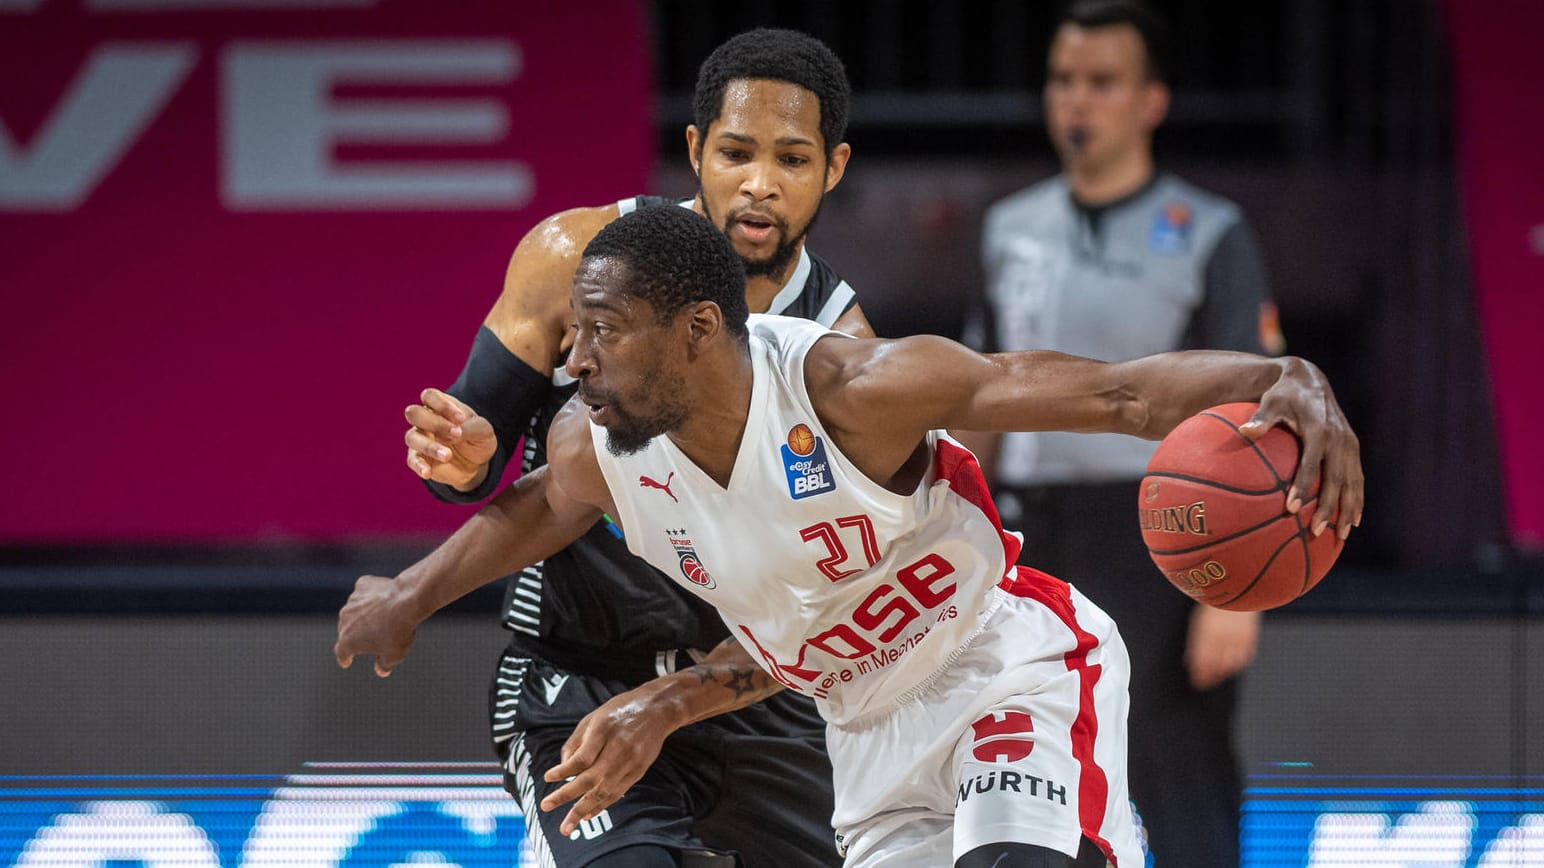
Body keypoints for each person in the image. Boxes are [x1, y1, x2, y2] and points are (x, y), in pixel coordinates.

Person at [349, 204, 1363, 867]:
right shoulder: (593, 451)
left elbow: (1116, 392)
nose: (575, 358)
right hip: (865, 741)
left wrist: (1288, 381)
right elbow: (536, 512)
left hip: (1002, 664)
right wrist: (410, 594)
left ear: (697, 329)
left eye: (602, 330)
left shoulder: (846, 390)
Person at [336, 28, 869, 868]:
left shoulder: (839, 351)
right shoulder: (571, 258)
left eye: (792, 161)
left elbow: (828, 609)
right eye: (735, 152)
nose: (759, 185)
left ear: (832, 169)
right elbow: (506, 474)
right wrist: (460, 467)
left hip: (749, 688)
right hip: (575, 677)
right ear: (696, 150)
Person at [965, 2, 1286, 863]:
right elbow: (979, 396)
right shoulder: (1009, 228)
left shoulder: (1209, 230)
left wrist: (1232, 596)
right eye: (1064, 80)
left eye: (1102, 83)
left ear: (1151, 101)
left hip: (1167, 532)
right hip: (1031, 531)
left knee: (1180, 779)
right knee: (1034, 780)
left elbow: (1255, 404)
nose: (1077, 101)